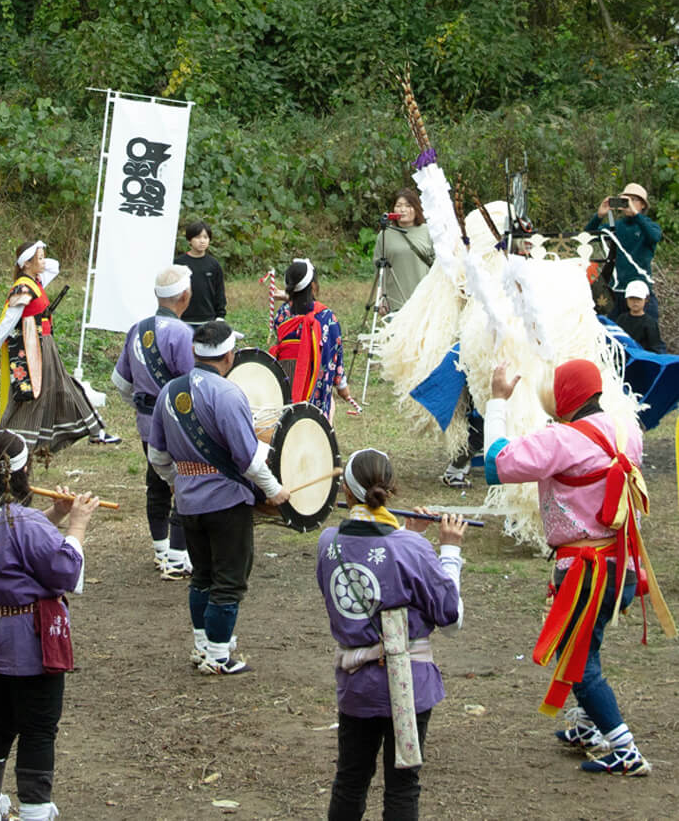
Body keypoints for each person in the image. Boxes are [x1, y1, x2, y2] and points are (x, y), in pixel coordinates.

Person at [484, 358, 669, 776]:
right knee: (591, 645)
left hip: (586, 572)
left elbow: (497, 465)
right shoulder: (626, 430)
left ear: (565, 397)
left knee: (579, 662)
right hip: (621, 566)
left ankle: (624, 748)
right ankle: (589, 727)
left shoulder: (562, 441)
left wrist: (497, 401)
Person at [0, 428, 99, 821]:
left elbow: (11, 544)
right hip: (27, 641)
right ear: (23, 470)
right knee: (37, 727)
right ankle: (35, 810)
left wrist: (56, 514)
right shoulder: (22, 523)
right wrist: (78, 526)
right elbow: (63, 571)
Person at [316, 449, 464, 821]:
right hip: (409, 686)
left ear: (346, 493)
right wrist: (448, 551)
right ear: (391, 490)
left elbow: (375, 563)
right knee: (402, 786)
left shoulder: (327, 544)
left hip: (358, 685)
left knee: (349, 781)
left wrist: (409, 539)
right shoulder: (410, 548)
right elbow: (450, 616)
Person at [147, 319, 290, 674]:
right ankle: (218, 655)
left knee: (202, 577)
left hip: (188, 504)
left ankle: (203, 647)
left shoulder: (169, 391)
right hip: (226, 504)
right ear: (229, 355)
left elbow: (157, 456)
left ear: (196, 352)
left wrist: (179, 482)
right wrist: (275, 491)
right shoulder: (227, 394)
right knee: (229, 580)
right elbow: (248, 459)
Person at [0, 241, 120, 452]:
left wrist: (37, 254)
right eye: (40, 258)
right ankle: (9, 438)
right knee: (31, 394)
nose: (44, 261)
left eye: (43, 257)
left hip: (45, 344)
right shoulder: (23, 288)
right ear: (26, 263)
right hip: (32, 348)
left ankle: (94, 431)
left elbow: (56, 266)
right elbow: (9, 320)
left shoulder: (36, 281)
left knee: (64, 386)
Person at [111, 265, 196, 578]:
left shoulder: (138, 328)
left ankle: (161, 550)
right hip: (177, 425)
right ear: (185, 296)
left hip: (146, 423)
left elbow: (120, 382)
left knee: (156, 482)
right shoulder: (182, 334)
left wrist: (144, 407)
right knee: (185, 481)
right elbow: (192, 385)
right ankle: (176, 556)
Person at [269, 259, 359, 419]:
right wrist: (342, 385)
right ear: (313, 286)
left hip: (287, 390)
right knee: (329, 404)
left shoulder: (282, 314)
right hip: (316, 394)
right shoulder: (327, 318)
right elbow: (334, 356)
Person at [585, 183, 661, 324]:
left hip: (640, 291)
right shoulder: (616, 227)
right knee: (616, 334)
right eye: (626, 200)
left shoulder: (649, 226)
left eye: (634, 200)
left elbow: (654, 237)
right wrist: (599, 215)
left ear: (643, 205)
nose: (629, 203)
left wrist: (637, 215)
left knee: (647, 335)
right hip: (618, 292)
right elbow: (586, 237)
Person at [372, 189, 434, 314]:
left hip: (424, 297)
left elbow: (438, 264)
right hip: (395, 301)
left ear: (416, 208)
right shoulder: (385, 234)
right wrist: (380, 298)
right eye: (398, 206)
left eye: (408, 206)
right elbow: (379, 270)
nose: (403, 210)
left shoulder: (428, 231)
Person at [175, 220, 227, 324]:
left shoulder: (213, 264)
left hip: (208, 319)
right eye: (198, 237)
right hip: (183, 318)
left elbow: (219, 291)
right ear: (189, 240)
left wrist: (220, 315)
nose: (202, 241)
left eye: (205, 237)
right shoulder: (179, 263)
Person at [611, 279, 664, 355]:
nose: (635, 302)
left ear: (646, 299)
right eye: (631, 298)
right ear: (626, 299)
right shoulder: (621, 319)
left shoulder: (650, 323)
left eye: (638, 299)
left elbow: (655, 348)